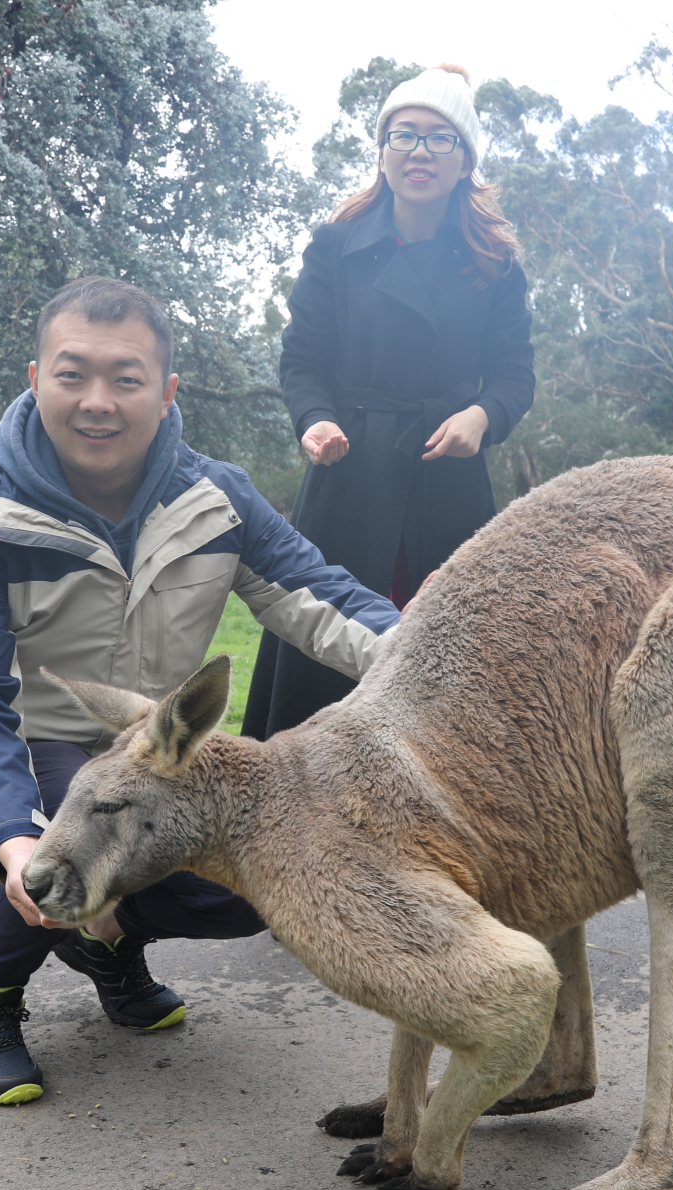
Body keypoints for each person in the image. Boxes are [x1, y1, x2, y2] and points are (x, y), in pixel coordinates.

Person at [0, 276, 402, 1106]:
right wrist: (10, 839)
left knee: (268, 872)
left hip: (151, 748)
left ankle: (102, 936)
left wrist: (427, 656)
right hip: (19, 745)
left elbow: (321, 598)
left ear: (166, 391)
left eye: (126, 378)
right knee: (72, 822)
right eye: (72, 374)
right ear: (35, 379)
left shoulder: (219, 499)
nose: (97, 401)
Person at [240, 64, 535, 741]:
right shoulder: (336, 247)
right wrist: (314, 420)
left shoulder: (495, 262)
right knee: (323, 657)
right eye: (404, 134)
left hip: (448, 482)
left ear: (466, 160)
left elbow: (515, 376)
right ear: (382, 151)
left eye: (439, 138)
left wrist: (481, 418)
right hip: (351, 480)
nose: (420, 151)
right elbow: (303, 360)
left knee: (450, 667)